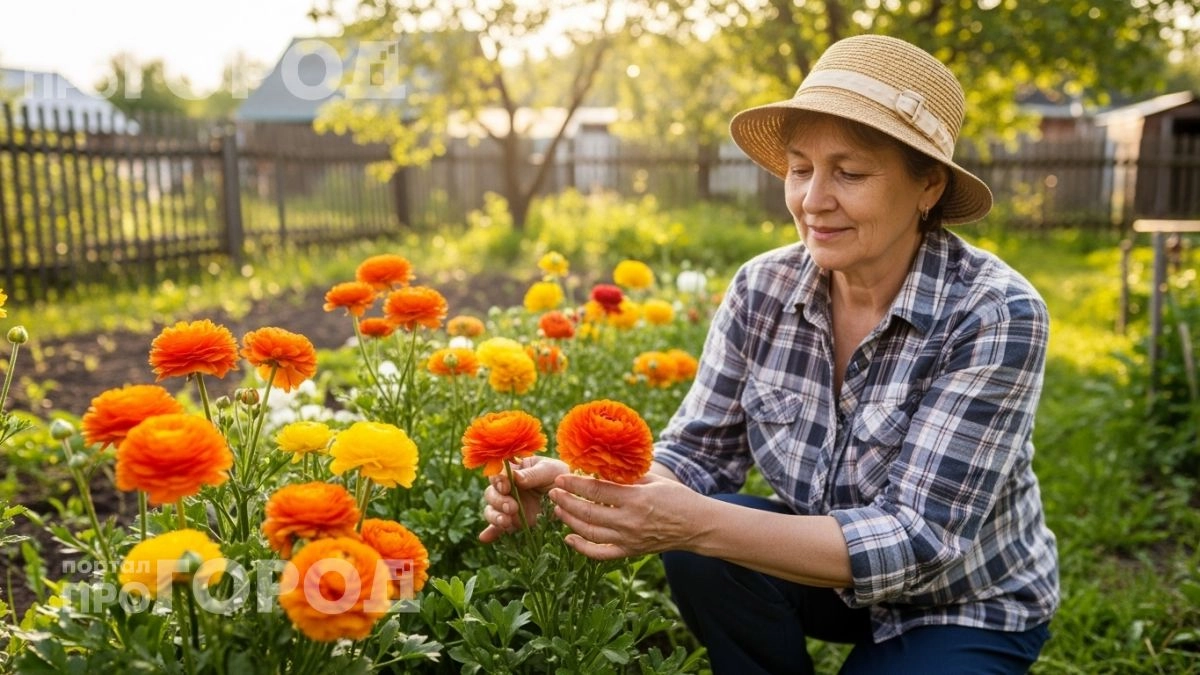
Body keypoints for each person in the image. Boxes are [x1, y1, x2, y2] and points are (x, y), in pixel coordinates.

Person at [480, 34, 1059, 674]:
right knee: (701, 545)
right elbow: (695, 457)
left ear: (928, 186)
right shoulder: (764, 287)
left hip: (960, 601)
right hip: (817, 568)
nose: (812, 201)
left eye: (850, 172)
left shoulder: (995, 312)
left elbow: (922, 542)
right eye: (801, 167)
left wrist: (695, 523)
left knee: (703, 533)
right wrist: (578, 487)